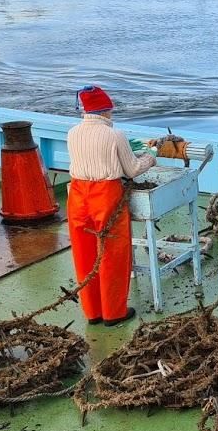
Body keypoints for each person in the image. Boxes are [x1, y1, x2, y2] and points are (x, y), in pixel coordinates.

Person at [66, 85, 156, 326]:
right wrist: (151, 155)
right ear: (106, 111)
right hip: (106, 195)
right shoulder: (115, 135)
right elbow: (133, 170)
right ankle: (114, 313)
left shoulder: (72, 133)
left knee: (85, 254)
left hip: (77, 194)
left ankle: (92, 312)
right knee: (112, 253)